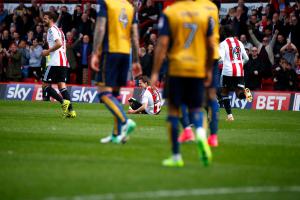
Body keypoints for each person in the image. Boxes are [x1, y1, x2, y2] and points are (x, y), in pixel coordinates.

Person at [151, 0, 214, 167]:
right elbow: (211, 46)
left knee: (173, 111)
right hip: (197, 69)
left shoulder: (170, 12)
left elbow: (163, 43)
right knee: (196, 108)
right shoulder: (204, 13)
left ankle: (176, 156)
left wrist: (155, 71)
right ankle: (200, 134)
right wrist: (208, 70)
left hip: (176, 68)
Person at [91, 0, 142, 144]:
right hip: (125, 54)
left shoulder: (106, 3)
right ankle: (116, 134)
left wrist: (95, 52)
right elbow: (135, 37)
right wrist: (136, 60)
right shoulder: (130, 7)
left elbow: (100, 28)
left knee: (103, 92)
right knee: (115, 94)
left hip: (110, 52)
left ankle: (125, 121)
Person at [178, 0, 221, 147]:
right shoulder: (214, 7)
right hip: (214, 55)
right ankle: (213, 137)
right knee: (211, 97)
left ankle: (188, 130)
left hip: (197, 56)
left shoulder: (193, 8)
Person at [41, 12, 76, 118]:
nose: (43, 20)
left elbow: (59, 43)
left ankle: (63, 102)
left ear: (51, 19)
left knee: (45, 85)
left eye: (45, 18)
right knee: (62, 87)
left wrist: (48, 51)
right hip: (63, 62)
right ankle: (71, 111)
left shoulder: (52, 30)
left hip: (55, 62)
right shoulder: (59, 30)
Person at [219, 26, 251, 121]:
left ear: (224, 33)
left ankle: (230, 116)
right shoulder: (239, 42)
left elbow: (221, 58)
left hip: (227, 71)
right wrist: (240, 64)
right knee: (239, 92)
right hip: (239, 71)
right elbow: (247, 58)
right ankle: (246, 94)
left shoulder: (223, 44)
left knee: (224, 93)